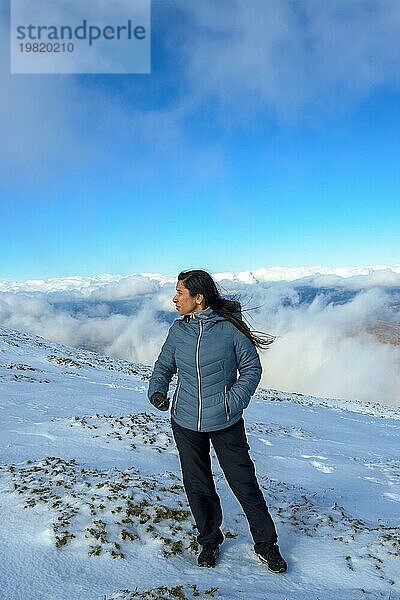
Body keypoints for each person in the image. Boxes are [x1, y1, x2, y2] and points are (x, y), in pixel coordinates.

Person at [148, 269, 287, 573]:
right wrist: (157, 390)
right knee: (197, 486)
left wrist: (232, 401)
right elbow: (163, 366)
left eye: (180, 293)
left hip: (225, 421)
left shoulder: (229, 329)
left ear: (198, 298)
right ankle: (209, 541)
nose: (174, 298)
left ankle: (267, 546)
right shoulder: (178, 330)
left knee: (244, 485)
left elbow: (251, 368)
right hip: (185, 421)